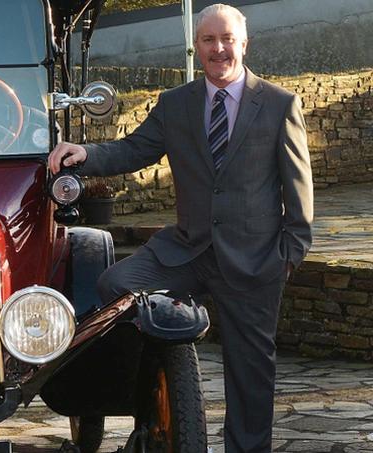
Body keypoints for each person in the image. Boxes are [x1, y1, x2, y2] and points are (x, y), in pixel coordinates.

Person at [48, 4, 313, 452]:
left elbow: (299, 187)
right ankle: (156, 380)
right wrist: (86, 153)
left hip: (254, 260)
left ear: (244, 44)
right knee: (115, 282)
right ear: (197, 46)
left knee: (251, 373)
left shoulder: (279, 104)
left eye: (227, 39)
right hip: (187, 251)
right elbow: (133, 150)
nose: (218, 48)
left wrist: (289, 253)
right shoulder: (176, 105)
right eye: (209, 40)